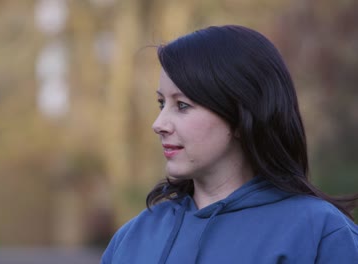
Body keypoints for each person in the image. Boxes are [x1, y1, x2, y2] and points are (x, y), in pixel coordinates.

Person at [101, 25, 358, 263]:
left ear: (240, 116)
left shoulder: (321, 233)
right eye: (161, 103)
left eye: (182, 105)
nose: (159, 124)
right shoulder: (133, 238)